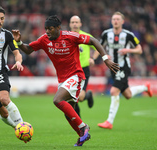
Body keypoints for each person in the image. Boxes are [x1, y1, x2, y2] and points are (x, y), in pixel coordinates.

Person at [12, 15, 119, 146]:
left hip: (76, 75)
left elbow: (93, 41)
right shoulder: (44, 39)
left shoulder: (70, 36)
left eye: (50, 28)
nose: (47, 31)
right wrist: (19, 43)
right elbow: (28, 50)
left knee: (57, 100)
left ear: (58, 28)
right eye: (46, 29)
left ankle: (83, 127)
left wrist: (105, 59)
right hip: (63, 80)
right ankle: (82, 136)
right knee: (68, 114)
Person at [97, 12, 153, 129]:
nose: (115, 21)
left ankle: (109, 121)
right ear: (111, 21)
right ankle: (145, 87)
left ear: (122, 21)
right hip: (112, 67)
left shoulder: (128, 35)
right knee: (127, 94)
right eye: (113, 19)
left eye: (118, 19)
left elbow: (139, 49)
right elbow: (100, 48)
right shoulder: (106, 34)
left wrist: (128, 50)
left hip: (123, 67)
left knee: (113, 91)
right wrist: (104, 56)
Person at [69, 15, 99, 117]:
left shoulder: (86, 36)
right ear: (70, 24)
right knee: (72, 97)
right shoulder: (66, 37)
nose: (74, 24)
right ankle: (79, 121)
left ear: (80, 24)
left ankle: (88, 95)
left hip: (83, 70)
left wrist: (93, 59)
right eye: (72, 22)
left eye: (76, 22)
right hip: (71, 70)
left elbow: (98, 47)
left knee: (80, 97)